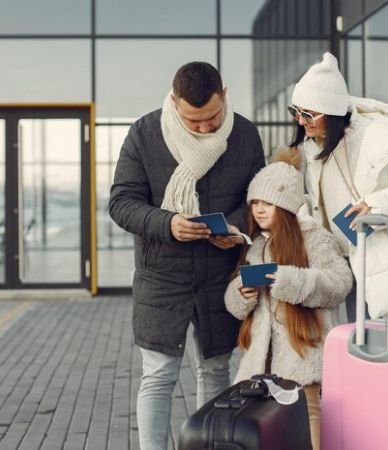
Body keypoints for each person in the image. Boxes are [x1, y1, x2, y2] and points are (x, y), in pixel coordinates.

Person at [108, 61, 266, 449]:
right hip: (161, 276)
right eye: (193, 120)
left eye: (211, 117)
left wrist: (233, 226)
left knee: (214, 370)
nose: (204, 128)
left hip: (220, 273)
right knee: (159, 374)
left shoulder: (245, 135)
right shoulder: (145, 133)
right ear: (175, 101)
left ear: (224, 95)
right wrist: (168, 223)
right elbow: (121, 202)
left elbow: (259, 201)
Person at [288, 52, 388, 322]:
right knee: (360, 352)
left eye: (308, 113)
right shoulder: (314, 145)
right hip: (345, 265)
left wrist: (376, 207)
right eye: (295, 112)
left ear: (331, 111)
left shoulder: (381, 137)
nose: (300, 120)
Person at [224, 150, 353, 450]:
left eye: (267, 203)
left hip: (303, 357)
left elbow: (339, 283)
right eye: (255, 202)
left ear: (286, 204)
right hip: (261, 365)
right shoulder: (255, 246)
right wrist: (241, 294)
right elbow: (235, 303)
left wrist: (289, 280)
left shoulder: (314, 239)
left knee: (308, 423)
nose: (259, 210)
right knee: (268, 432)